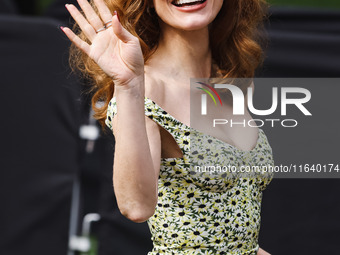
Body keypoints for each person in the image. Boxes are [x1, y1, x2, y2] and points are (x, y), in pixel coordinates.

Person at [61, 0, 273, 254]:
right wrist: (128, 86)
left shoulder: (229, 83)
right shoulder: (143, 87)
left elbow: (238, 239)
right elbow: (135, 207)